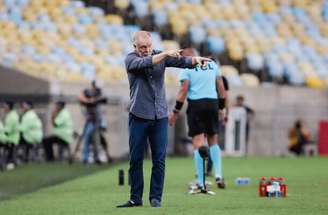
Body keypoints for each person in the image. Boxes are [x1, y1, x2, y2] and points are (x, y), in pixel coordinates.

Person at [117, 31, 211, 208]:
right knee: (136, 159)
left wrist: (194, 61)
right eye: (142, 47)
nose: (146, 50)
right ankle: (135, 198)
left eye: (148, 46)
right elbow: (146, 62)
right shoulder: (130, 59)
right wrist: (165, 53)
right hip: (138, 115)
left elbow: (180, 61)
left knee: (159, 160)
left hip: (160, 116)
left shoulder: (160, 55)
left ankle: (155, 198)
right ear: (134, 47)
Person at [168, 48, 227, 190]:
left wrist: (175, 111)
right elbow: (221, 87)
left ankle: (201, 181)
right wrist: (222, 107)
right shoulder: (212, 64)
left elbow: (184, 89)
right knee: (213, 139)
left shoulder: (186, 67)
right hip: (212, 103)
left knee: (198, 142)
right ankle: (218, 174)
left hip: (196, 105)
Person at [78, 81, 107, 164]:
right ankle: (86, 158)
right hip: (89, 120)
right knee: (87, 137)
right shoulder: (88, 92)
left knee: (97, 139)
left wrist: (92, 100)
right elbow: (81, 97)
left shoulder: (100, 94)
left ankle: (96, 157)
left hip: (97, 121)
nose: (95, 88)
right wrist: (89, 100)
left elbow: (102, 99)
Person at [207, 75, 229, 176]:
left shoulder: (221, 78)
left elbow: (225, 95)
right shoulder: (221, 78)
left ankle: (206, 169)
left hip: (206, 110)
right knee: (213, 142)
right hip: (215, 111)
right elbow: (225, 95)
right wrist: (224, 111)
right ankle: (215, 172)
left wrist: (224, 111)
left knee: (204, 142)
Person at [2, 101, 20, 168]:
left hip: (11, 139)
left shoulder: (11, 116)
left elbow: (7, 131)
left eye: (4, 106)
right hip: (12, 138)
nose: (3, 108)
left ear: (8, 107)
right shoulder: (11, 115)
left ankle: (10, 164)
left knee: (10, 152)